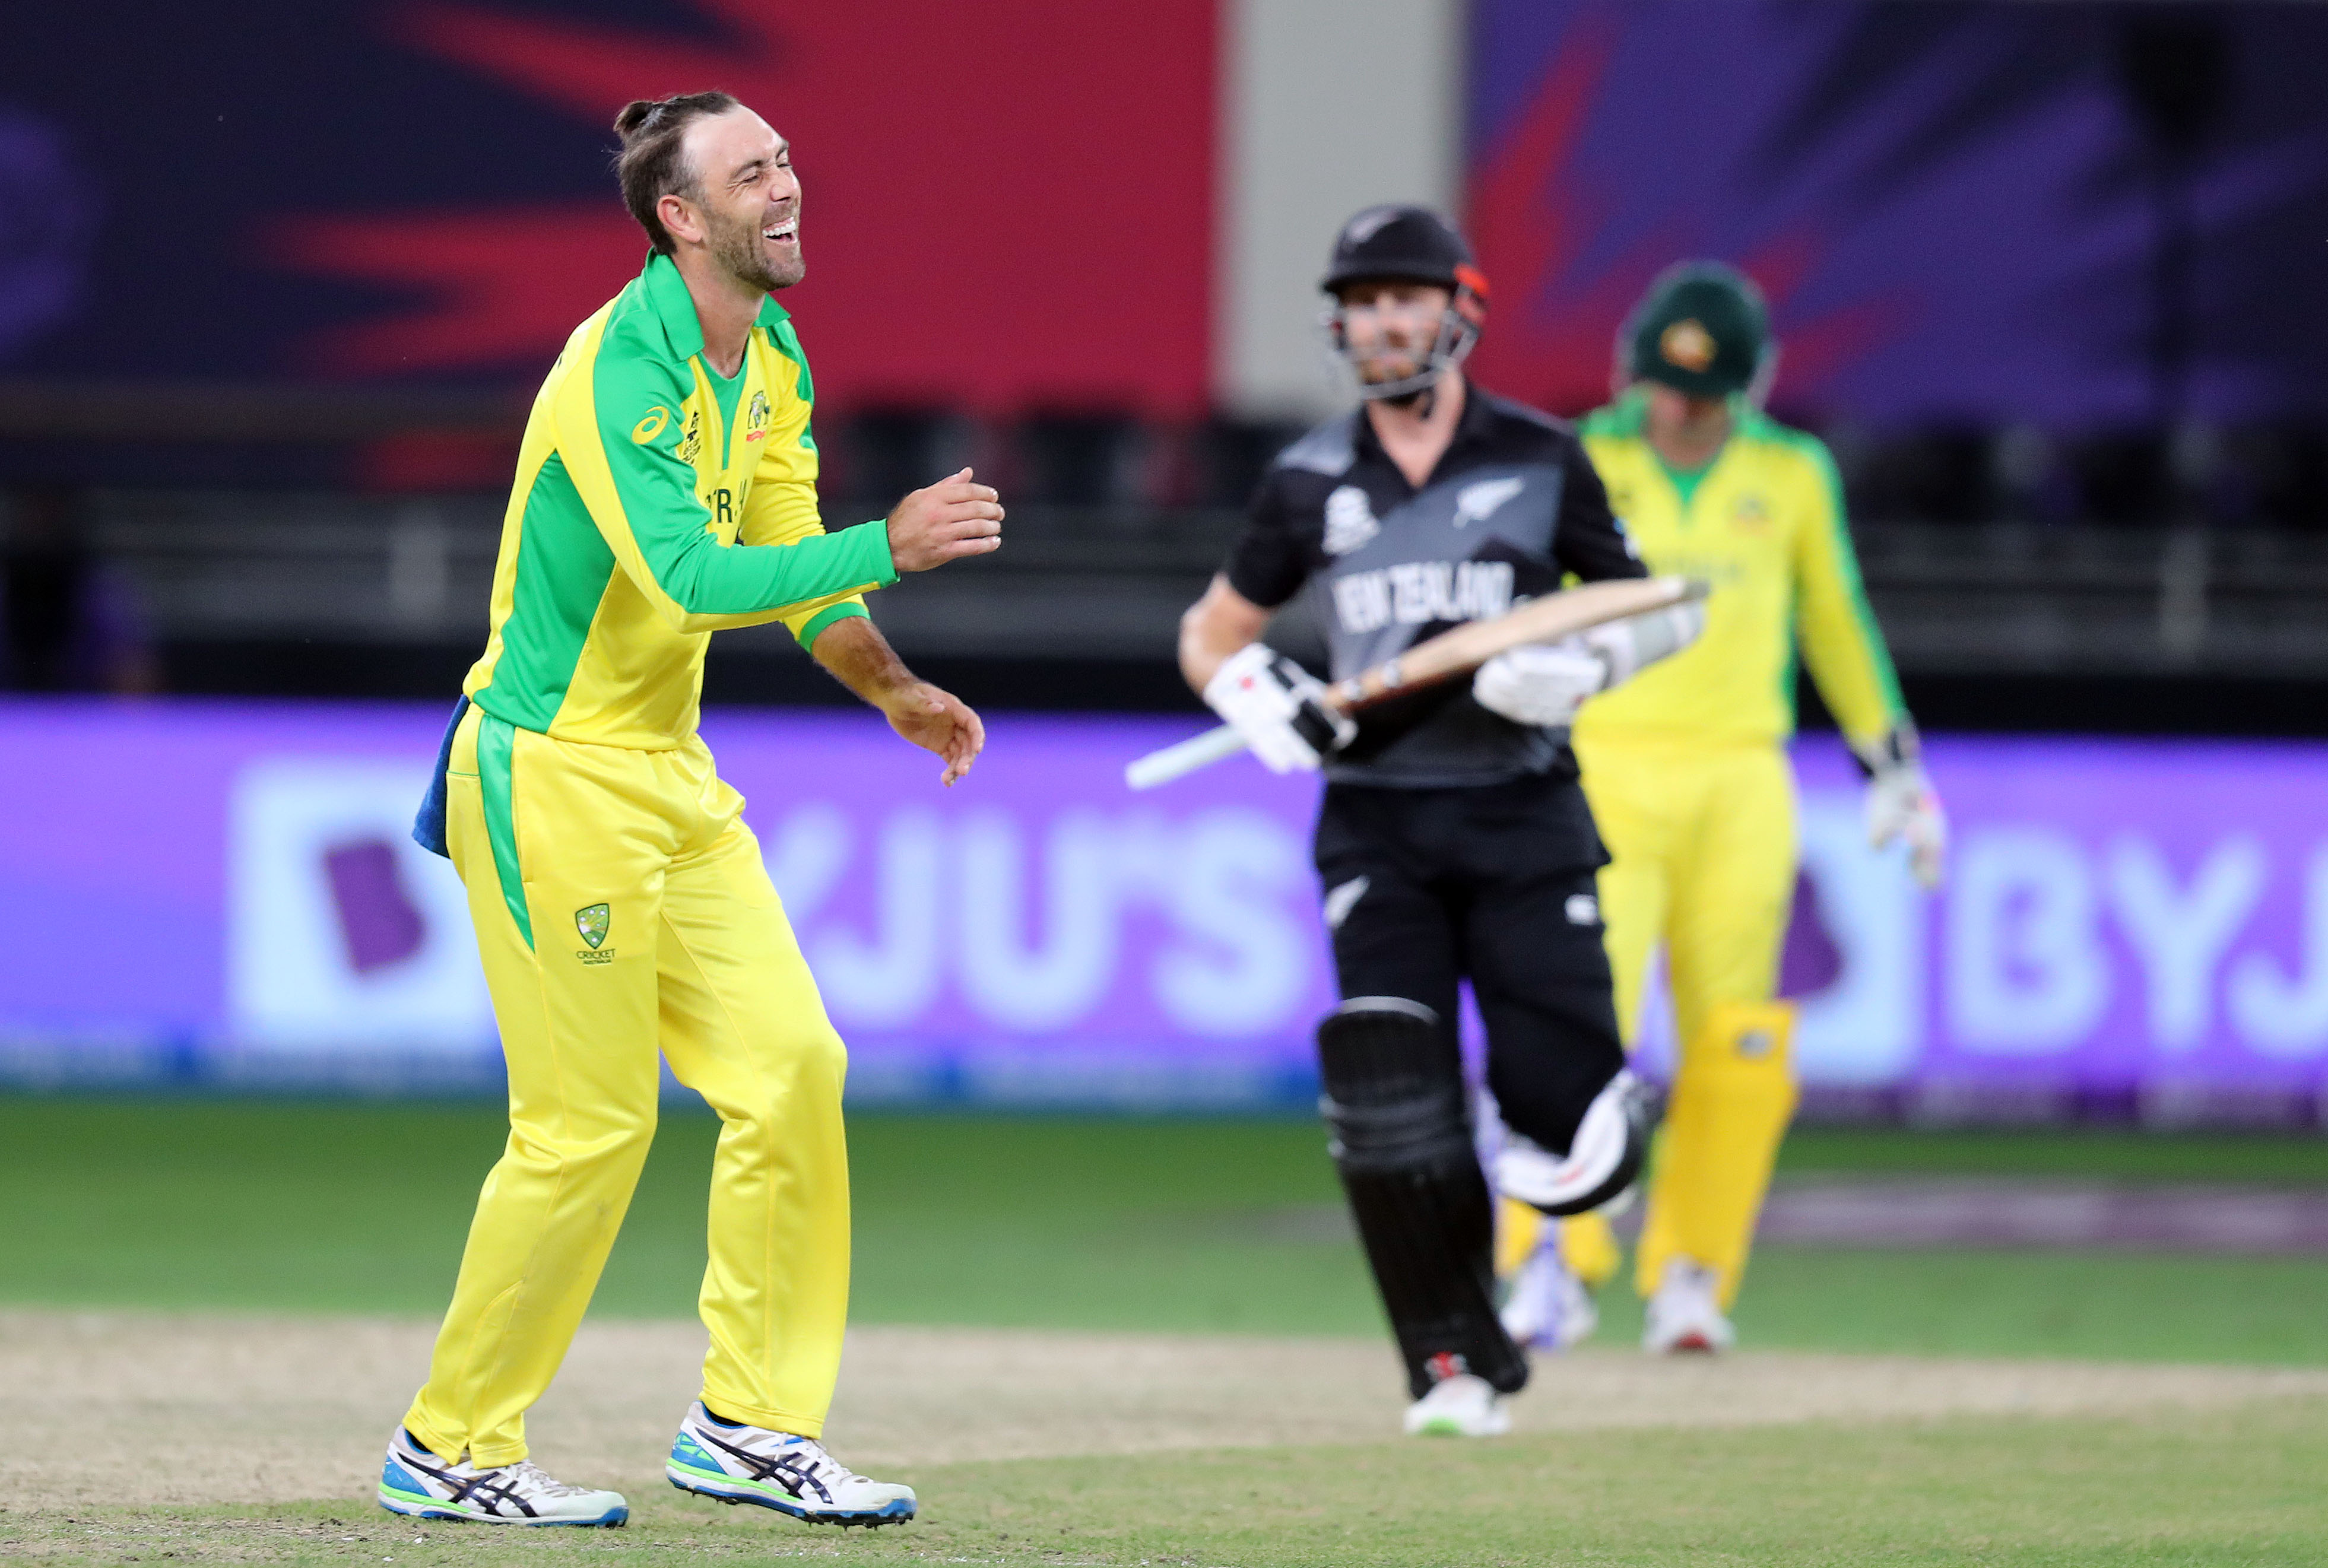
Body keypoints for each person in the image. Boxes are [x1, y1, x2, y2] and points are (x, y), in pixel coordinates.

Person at [378, 91, 1002, 1529]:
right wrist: (893, 542)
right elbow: (686, 581)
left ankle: (749, 1426)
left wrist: (891, 684)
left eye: (787, 162)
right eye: (752, 172)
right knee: (587, 1126)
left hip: (669, 770)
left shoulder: (768, 352)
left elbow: (787, 552)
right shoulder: (618, 365)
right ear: (680, 215)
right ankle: (451, 1443)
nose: (787, 187)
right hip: (549, 770)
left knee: (790, 1070)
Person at [1178, 205, 1703, 1439]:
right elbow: (1210, 632)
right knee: (1389, 1103)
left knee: (1562, 1112)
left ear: (1457, 310)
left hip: (1524, 812)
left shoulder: (1540, 455)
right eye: (1360, 303)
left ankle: (1591, 1144)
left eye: (1403, 298)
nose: (1381, 322)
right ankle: (1452, 1361)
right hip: (1377, 824)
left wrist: (1580, 667)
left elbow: (1658, 606)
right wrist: (1258, 697)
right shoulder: (1308, 477)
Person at [1496, 262, 1944, 1357]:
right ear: (1630, 371)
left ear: (1750, 384)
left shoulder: (1790, 472)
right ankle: (1550, 1259)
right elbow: (1511, 612)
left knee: (1736, 1037)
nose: (1680, 412)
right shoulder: (1582, 458)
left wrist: (1892, 765)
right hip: (1600, 772)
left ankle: (1692, 1274)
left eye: (1704, 395)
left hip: (1741, 776)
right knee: (1572, 1029)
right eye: (1665, 387)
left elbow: (1833, 618)